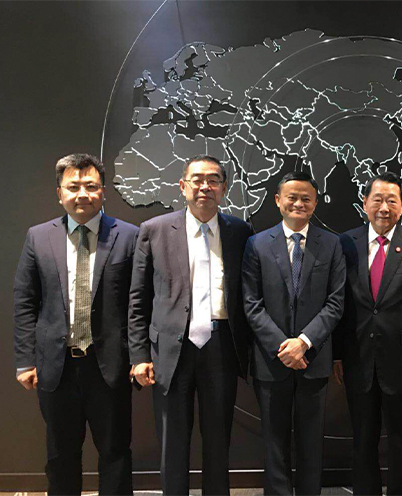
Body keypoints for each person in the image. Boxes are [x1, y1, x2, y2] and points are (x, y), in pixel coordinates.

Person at [128, 155, 253, 495]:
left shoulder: (240, 232)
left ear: (223, 189)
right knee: (172, 441)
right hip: (171, 349)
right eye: (197, 179)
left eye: (213, 180)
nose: (204, 187)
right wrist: (139, 356)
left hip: (221, 347)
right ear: (182, 186)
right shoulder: (154, 230)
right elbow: (138, 298)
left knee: (218, 440)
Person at [13, 153, 137, 495]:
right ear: (59, 193)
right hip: (57, 366)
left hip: (110, 365)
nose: (82, 193)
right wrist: (25, 361)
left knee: (115, 452)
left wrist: (138, 355)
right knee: (60, 455)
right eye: (73, 186)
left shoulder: (129, 236)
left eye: (91, 186)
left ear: (103, 191)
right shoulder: (38, 237)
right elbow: (25, 302)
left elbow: (139, 302)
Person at [333, 171, 402, 495]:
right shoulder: (345, 244)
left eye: (391, 200)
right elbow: (339, 304)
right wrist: (337, 354)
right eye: (377, 199)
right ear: (364, 202)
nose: (384, 207)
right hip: (358, 359)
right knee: (362, 440)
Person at [242, 171, 346, 495]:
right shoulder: (257, 244)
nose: (298, 203)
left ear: (315, 203)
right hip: (271, 361)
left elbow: (336, 302)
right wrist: (283, 346)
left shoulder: (332, 244)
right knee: (274, 441)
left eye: (306, 198)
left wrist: (302, 343)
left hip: (313, 358)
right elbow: (251, 304)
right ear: (278, 200)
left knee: (311, 441)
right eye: (292, 197)